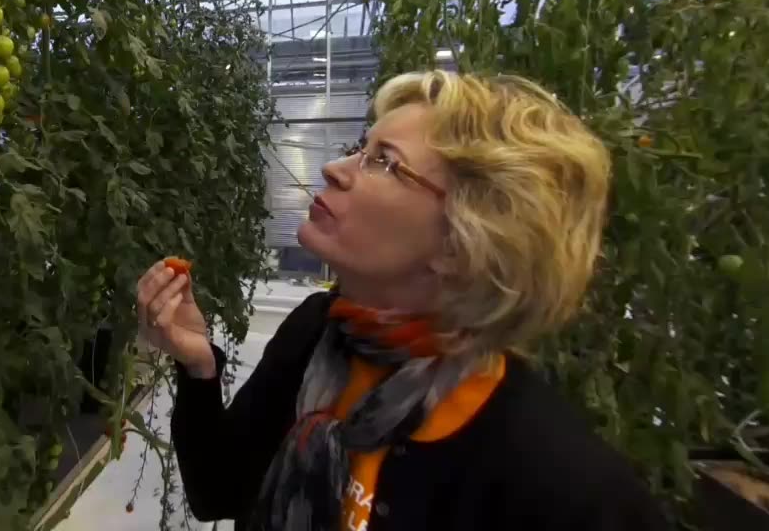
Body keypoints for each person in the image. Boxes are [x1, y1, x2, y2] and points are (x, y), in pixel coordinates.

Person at [136, 70, 667, 531]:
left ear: (464, 242)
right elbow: (220, 491)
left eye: (383, 163)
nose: (335, 169)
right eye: (360, 150)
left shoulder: (560, 487)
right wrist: (199, 367)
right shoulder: (318, 334)